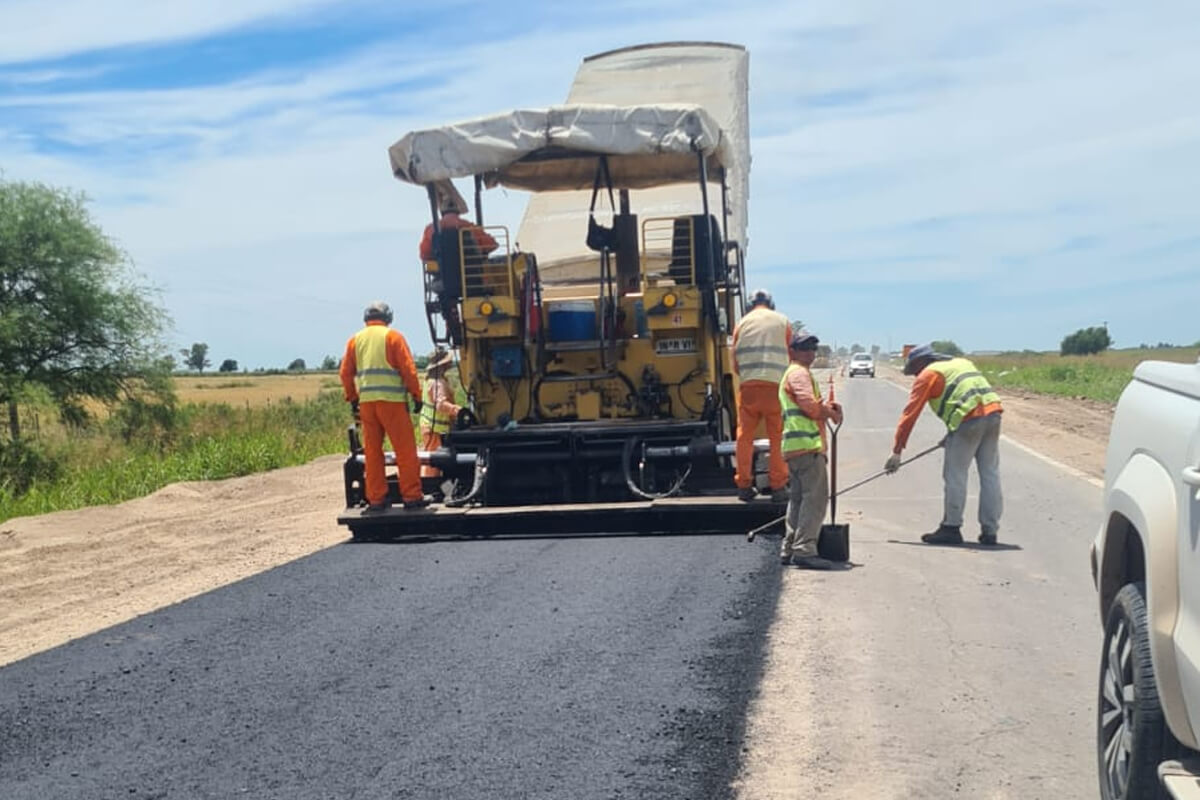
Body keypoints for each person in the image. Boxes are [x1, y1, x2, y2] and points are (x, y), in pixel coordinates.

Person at [885, 344, 1003, 545]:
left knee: (955, 475)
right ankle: (990, 531)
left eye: (914, 370)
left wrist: (897, 451)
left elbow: (909, 415)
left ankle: (951, 527)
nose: (915, 376)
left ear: (921, 362)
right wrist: (951, 434)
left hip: (968, 422)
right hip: (993, 415)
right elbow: (965, 397)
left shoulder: (928, 375)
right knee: (990, 474)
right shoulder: (962, 363)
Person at [339, 301, 428, 512]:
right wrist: (417, 396)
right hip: (393, 403)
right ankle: (412, 496)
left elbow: (345, 373)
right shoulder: (393, 337)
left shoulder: (355, 340)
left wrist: (353, 398)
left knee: (372, 453)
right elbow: (408, 370)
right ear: (388, 317)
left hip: (367, 404)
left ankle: (376, 499)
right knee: (405, 451)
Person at [779, 331, 844, 569]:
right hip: (806, 447)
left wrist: (826, 408)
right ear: (793, 351)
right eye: (805, 348)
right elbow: (809, 406)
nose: (811, 353)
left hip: (795, 448)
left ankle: (789, 548)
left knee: (797, 501)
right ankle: (805, 549)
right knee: (815, 500)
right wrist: (829, 412)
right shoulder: (798, 373)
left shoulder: (793, 373)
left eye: (813, 349)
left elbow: (809, 405)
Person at [731, 289, 791, 502]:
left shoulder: (741, 324)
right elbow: (791, 354)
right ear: (771, 304)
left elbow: (735, 363)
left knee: (744, 437)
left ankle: (744, 486)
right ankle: (778, 487)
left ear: (750, 305)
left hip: (749, 387)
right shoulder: (783, 321)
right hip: (775, 387)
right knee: (777, 438)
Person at [419, 350, 461, 479]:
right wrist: (457, 410)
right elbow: (441, 405)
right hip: (435, 428)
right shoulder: (437, 382)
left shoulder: (431, 380)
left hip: (431, 426)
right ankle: (430, 487)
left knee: (432, 460)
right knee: (434, 462)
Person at [419, 203, 498, 263]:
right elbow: (492, 245)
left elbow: (424, 255)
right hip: (472, 275)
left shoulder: (430, 229)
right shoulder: (469, 226)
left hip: (443, 277)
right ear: (458, 210)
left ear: (441, 211)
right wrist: (481, 252)